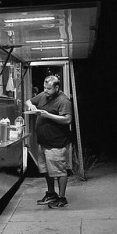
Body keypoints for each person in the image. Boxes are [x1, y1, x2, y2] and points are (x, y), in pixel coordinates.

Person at [25, 75, 73, 208]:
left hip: (56, 143)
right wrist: (32, 107)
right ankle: (51, 194)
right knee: (47, 170)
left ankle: (62, 198)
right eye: (44, 88)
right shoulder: (43, 95)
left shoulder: (64, 101)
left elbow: (68, 119)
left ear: (57, 87)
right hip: (43, 142)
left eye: (49, 88)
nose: (46, 91)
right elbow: (28, 101)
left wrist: (48, 115)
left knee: (59, 171)